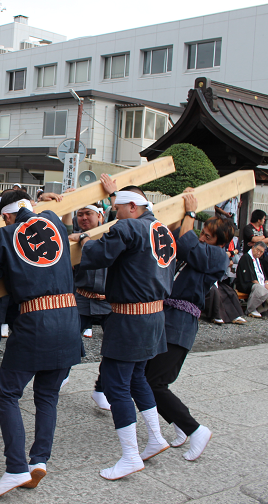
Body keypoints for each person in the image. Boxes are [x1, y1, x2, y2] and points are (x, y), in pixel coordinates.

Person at [0, 189, 81, 497]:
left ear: (6, 214)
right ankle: (40, 459)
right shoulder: (54, 224)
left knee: (8, 393)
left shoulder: (4, 235)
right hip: (70, 318)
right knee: (47, 395)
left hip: (35, 321)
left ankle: (16, 467)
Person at [77, 175, 175, 481]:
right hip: (154, 316)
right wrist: (111, 198)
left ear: (132, 207)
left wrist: (84, 241)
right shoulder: (160, 228)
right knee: (136, 379)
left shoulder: (129, 226)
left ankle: (130, 455)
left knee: (117, 384)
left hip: (129, 317)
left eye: (118, 210)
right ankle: (156, 438)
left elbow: (96, 255)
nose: (114, 217)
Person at [145, 193, 232, 462]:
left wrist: (191, 215)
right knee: (150, 380)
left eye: (208, 235)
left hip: (180, 322)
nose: (203, 237)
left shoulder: (218, 257)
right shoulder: (204, 250)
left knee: (153, 382)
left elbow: (186, 243)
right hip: (166, 317)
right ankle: (181, 427)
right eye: (203, 233)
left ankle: (196, 429)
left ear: (220, 243)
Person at [67, 204, 112, 410]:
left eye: (89, 214)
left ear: (100, 216)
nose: (84, 218)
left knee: (114, 349)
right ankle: (59, 375)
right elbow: (66, 227)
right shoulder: (73, 238)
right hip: (82, 297)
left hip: (110, 301)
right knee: (66, 338)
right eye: (80, 214)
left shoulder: (113, 235)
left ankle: (101, 389)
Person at [235, 242, 268, 318]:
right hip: (246, 283)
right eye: (258, 250)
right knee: (260, 288)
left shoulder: (258, 260)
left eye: (261, 252)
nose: (259, 253)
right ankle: (251, 309)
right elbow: (250, 276)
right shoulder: (246, 257)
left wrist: (266, 283)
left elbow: (263, 274)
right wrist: (262, 285)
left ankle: (267, 309)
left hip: (259, 282)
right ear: (253, 247)